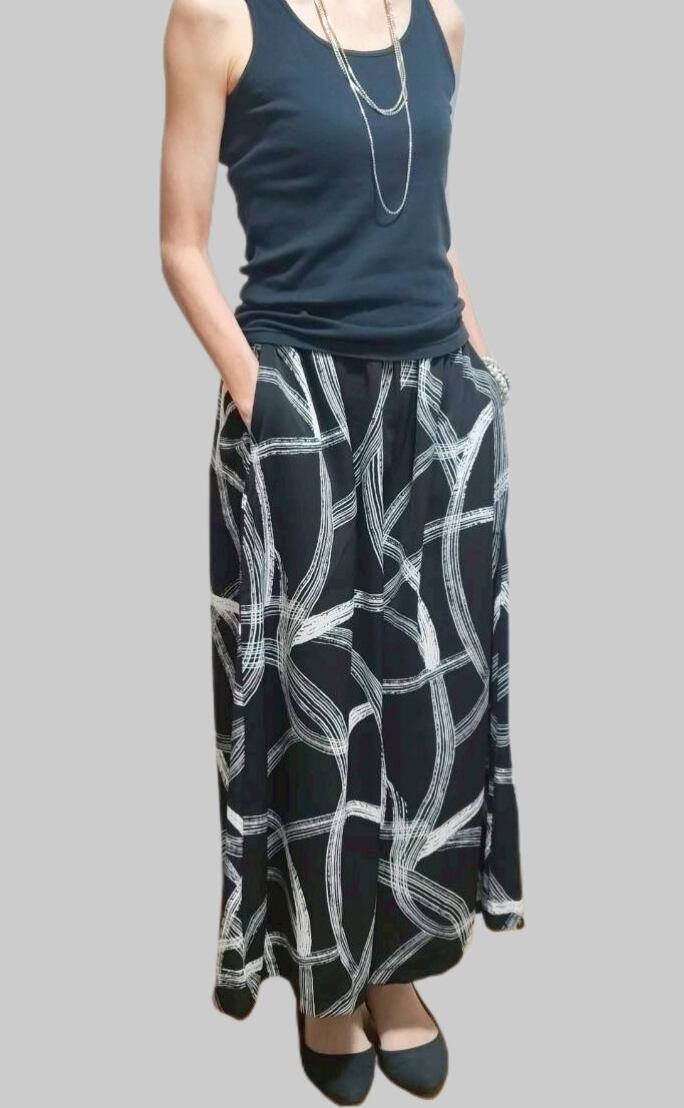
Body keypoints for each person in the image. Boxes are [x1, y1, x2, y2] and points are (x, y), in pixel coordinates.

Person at [160, 0, 525, 1100]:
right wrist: (256, 391)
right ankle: (328, 979)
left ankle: (399, 966)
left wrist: (475, 352)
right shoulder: (219, 17)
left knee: (433, 703)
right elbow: (179, 244)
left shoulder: (440, 15)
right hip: (299, 400)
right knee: (314, 703)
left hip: (437, 404)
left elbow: (424, 219)